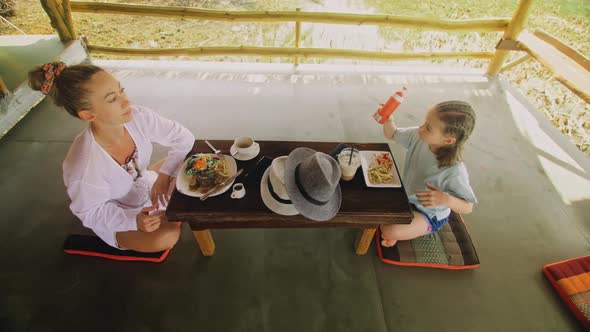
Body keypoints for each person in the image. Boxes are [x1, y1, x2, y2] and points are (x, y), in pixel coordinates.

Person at [28, 62, 195, 252]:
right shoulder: (83, 166)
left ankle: (168, 208)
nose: (126, 101)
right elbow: (89, 212)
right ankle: (158, 220)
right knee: (166, 237)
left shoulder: (137, 116)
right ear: (88, 115)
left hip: (145, 184)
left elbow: (183, 138)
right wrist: (134, 220)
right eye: (112, 99)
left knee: (192, 166)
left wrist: (164, 177)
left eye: (121, 90)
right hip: (120, 214)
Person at [376, 100, 477, 247]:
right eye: (425, 122)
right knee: (369, 201)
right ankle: (404, 227)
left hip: (429, 214)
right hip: (406, 196)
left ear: (448, 140)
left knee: (389, 231)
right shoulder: (421, 136)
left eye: (428, 128)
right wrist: (388, 119)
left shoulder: (454, 171)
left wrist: (446, 200)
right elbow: (393, 134)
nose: (421, 128)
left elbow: (468, 207)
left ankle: (417, 229)